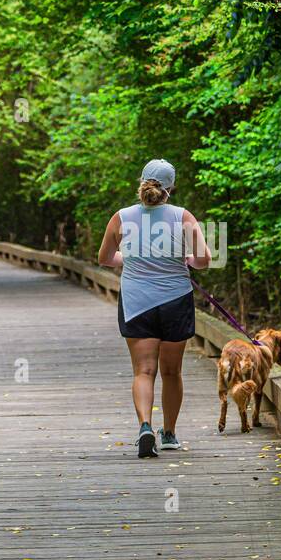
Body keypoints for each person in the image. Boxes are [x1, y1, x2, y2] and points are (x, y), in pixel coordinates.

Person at [97, 159, 212, 458]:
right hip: (175, 302)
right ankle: (170, 433)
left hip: (137, 303)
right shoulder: (183, 217)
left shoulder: (121, 217)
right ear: (171, 187)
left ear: (142, 181)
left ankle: (145, 426)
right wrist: (185, 259)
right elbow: (204, 260)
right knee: (172, 371)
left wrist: (131, 258)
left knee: (144, 371)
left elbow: (105, 258)